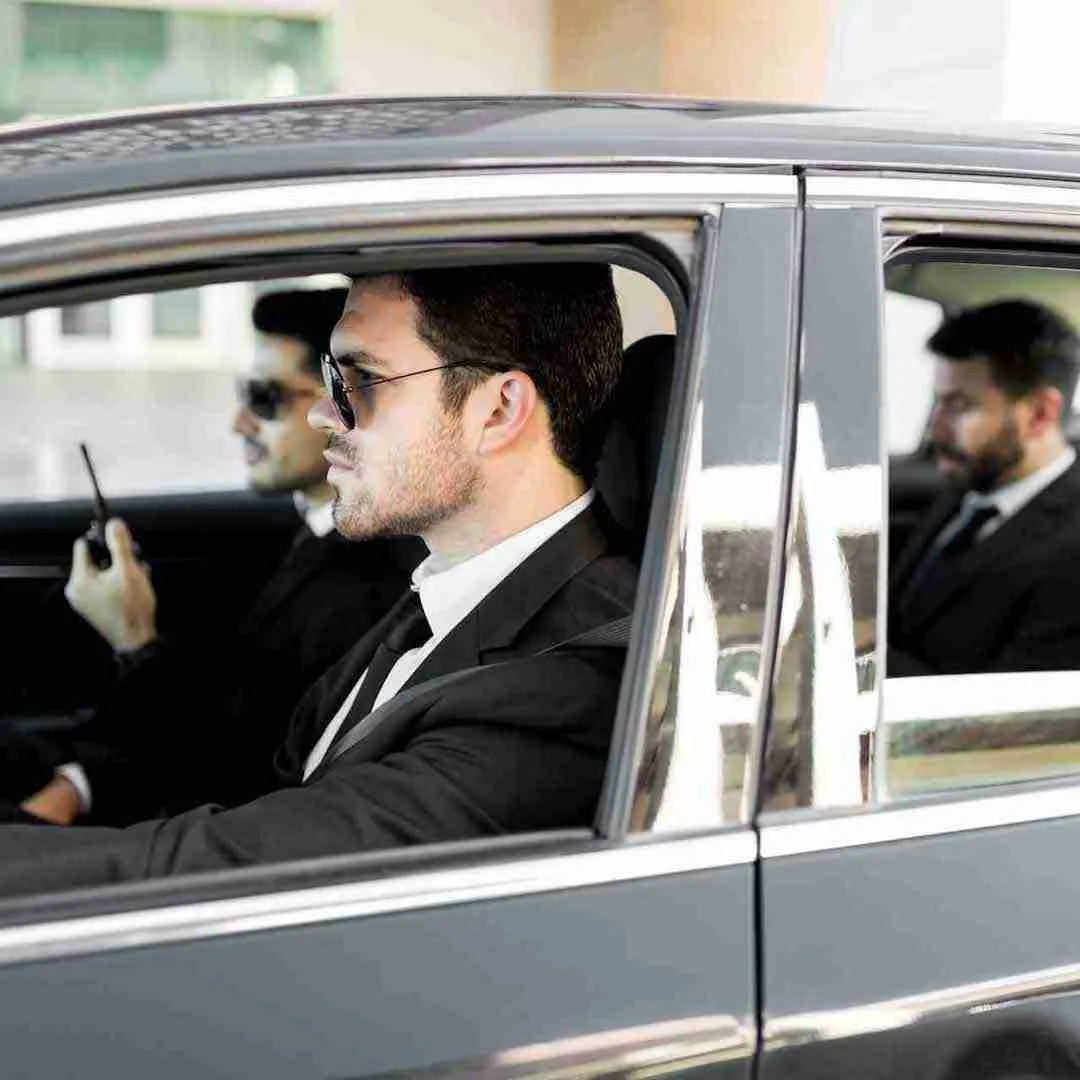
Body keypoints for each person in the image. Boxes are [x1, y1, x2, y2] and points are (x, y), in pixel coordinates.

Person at [0, 263, 637, 896]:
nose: (323, 416)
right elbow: (256, 778)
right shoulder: (446, 592)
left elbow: (238, 865)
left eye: (362, 381)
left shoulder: (567, 689)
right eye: (332, 377)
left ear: (498, 409)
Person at [8, 288, 423, 825]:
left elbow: (239, 769)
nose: (239, 422)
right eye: (243, 392)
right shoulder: (315, 532)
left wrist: (135, 641)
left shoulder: (370, 584)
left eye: (265, 398)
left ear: (345, 404)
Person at [888, 298, 1080, 676]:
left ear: (1039, 413)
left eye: (958, 406)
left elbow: (1013, 722)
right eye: (938, 403)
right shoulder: (973, 485)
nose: (936, 427)